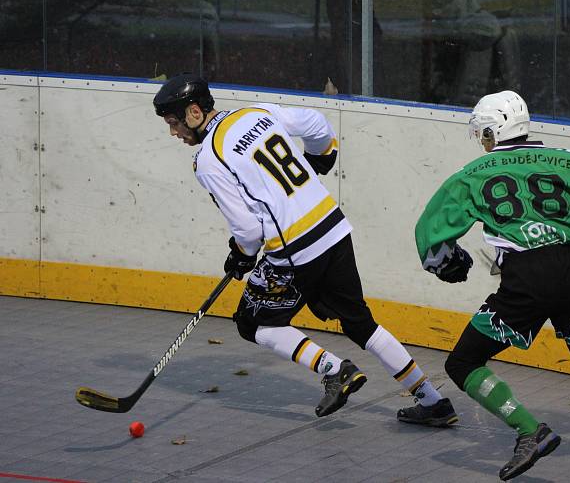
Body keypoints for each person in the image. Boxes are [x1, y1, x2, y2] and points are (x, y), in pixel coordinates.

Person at [153, 73, 457, 425]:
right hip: (332, 227)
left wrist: (241, 254)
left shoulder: (208, 160)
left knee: (254, 323)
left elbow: (249, 231)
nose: (173, 132)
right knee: (360, 323)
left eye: (174, 123)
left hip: (295, 249)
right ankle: (433, 401)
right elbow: (316, 123)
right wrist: (322, 155)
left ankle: (334, 370)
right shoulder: (254, 113)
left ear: (193, 112)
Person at [414, 90, 570, 480]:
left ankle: (531, 432)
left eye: (483, 134)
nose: (481, 142)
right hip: (569, 272)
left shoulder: (471, 175)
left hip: (525, 278)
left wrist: (452, 266)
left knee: (462, 363)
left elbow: (430, 236)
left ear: (492, 132)